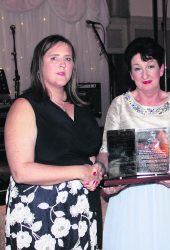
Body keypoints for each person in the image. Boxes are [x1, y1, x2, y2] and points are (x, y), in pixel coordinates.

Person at [98, 37, 170, 250]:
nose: (145, 75)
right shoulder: (119, 105)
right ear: (130, 74)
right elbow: (105, 152)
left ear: (161, 69)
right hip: (128, 193)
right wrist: (106, 179)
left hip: (169, 192)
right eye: (137, 68)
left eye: (150, 66)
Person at [4, 34, 104, 249]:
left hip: (83, 206)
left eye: (68, 59)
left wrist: (97, 168)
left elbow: (88, 153)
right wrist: (80, 171)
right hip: (41, 210)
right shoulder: (25, 106)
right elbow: (21, 172)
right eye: (54, 58)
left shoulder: (82, 107)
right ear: (39, 64)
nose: (62, 64)